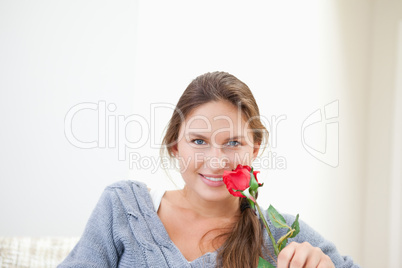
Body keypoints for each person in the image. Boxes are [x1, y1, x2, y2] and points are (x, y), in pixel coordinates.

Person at [58, 71, 360, 268]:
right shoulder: (123, 206)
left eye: (233, 143)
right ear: (176, 146)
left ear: (254, 150)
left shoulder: (280, 234)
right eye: (199, 141)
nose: (216, 160)